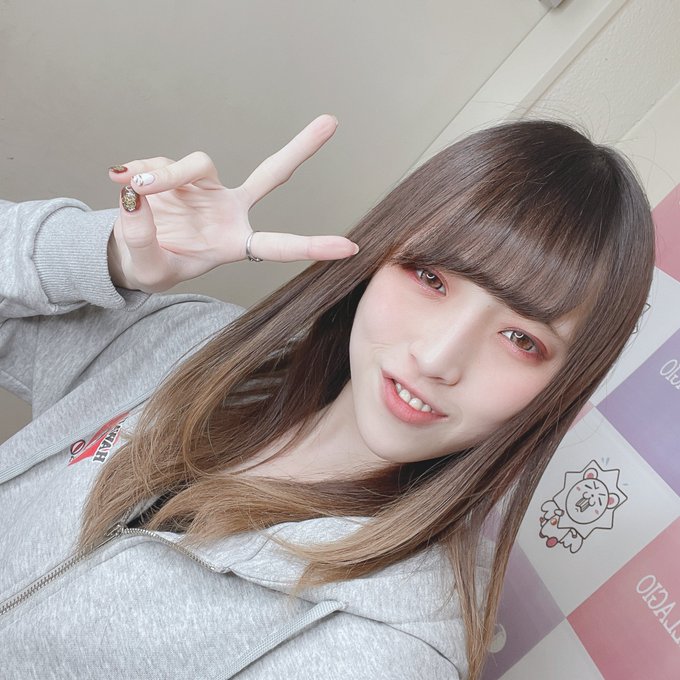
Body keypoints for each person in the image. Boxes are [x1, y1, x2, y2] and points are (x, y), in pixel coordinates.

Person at [0, 114, 654, 679]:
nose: (437, 359)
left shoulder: (384, 652)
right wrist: (108, 257)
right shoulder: (188, 344)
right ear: (379, 256)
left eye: (520, 339)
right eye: (431, 278)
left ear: (559, 389)